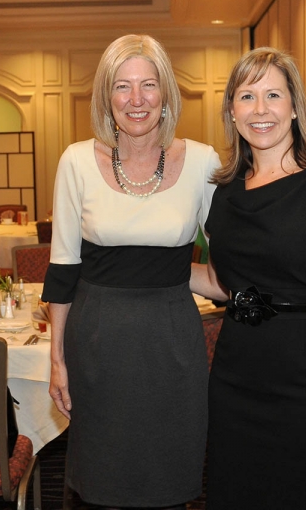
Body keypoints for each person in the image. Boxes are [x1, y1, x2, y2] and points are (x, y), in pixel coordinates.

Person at [190, 47, 306, 509]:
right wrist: (145, 265)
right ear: (231, 111)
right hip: (235, 381)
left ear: (294, 107)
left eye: (273, 95)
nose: (260, 109)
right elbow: (222, 283)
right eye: (247, 96)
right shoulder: (224, 194)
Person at [42, 34, 220, 509]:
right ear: (107, 97)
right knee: (102, 483)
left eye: (148, 85)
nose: (136, 99)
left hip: (173, 341)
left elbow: (231, 258)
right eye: (122, 86)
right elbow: (62, 268)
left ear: (166, 94)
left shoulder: (203, 162)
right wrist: (57, 360)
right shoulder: (76, 161)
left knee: (170, 479)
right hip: (97, 342)